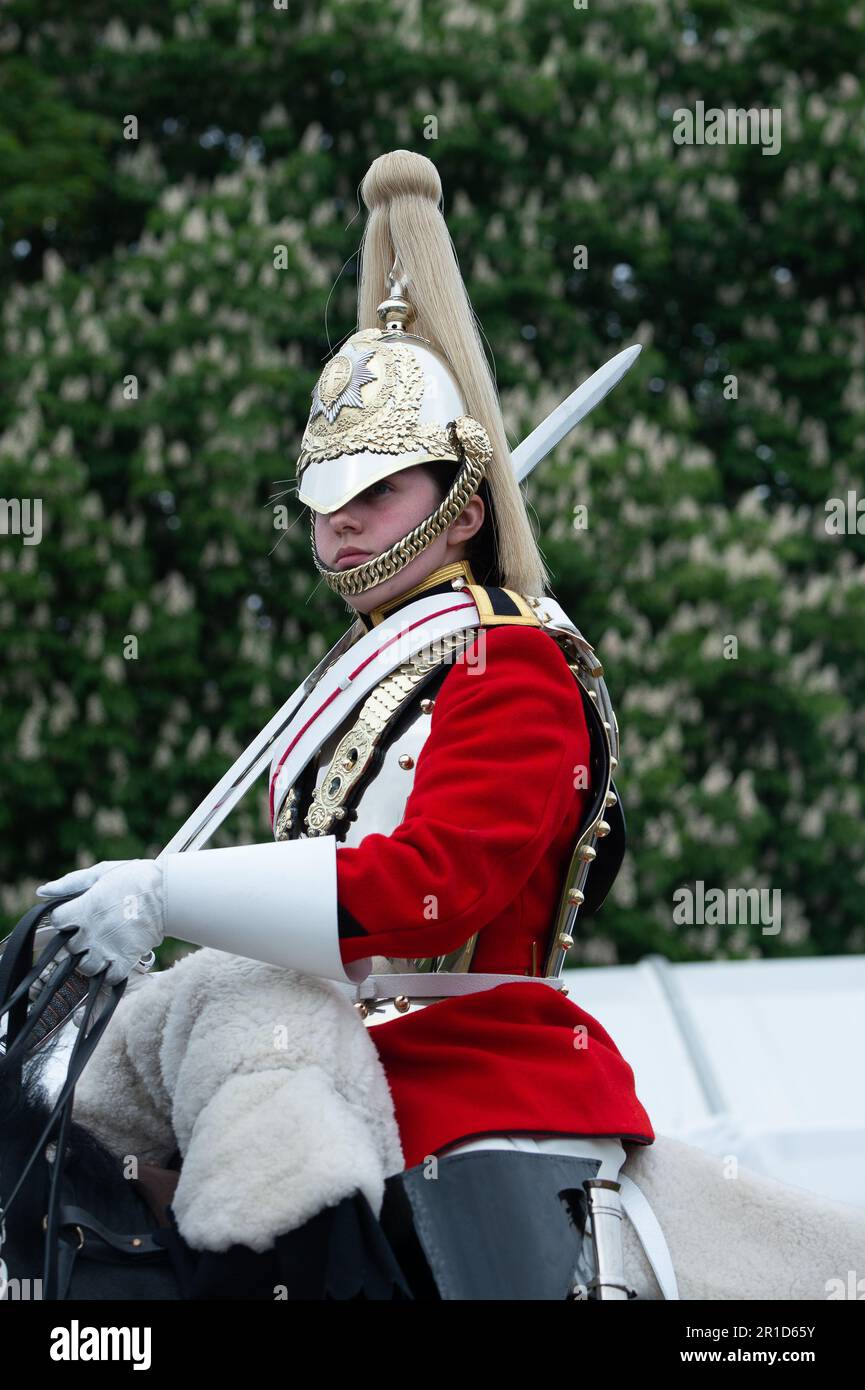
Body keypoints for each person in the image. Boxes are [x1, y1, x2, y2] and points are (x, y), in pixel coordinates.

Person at [35, 148, 654, 1299]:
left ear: (460, 499)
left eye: (376, 496)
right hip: (297, 1060)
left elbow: (436, 888)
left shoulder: (510, 653)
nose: (340, 532)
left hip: (470, 1074)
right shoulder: (359, 667)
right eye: (323, 504)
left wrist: (172, 894)